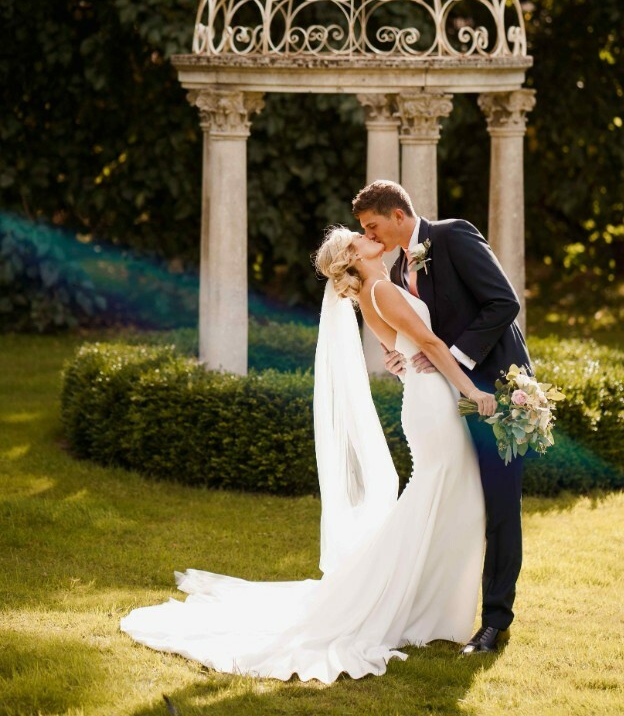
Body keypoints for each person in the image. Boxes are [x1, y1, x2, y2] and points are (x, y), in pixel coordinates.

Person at [120, 225, 492, 682]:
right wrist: (473, 390)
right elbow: (430, 344)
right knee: (440, 498)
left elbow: (404, 348)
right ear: (353, 257)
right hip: (433, 405)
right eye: (359, 235)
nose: (367, 234)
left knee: (447, 500)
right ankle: (408, 608)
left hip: (426, 399)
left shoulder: (379, 290)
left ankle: (426, 609)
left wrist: (406, 359)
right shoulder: (380, 291)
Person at [352, 179, 532, 655]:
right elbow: (419, 335)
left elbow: (503, 303)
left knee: (499, 507)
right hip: (446, 401)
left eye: (372, 226)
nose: (370, 236)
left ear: (397, 214)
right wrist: (401, 357)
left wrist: (454, 356)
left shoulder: (453, 236)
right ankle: (435, 607)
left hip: (497, 389)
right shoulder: (395, 271)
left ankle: (495, 622)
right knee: (460, 503)